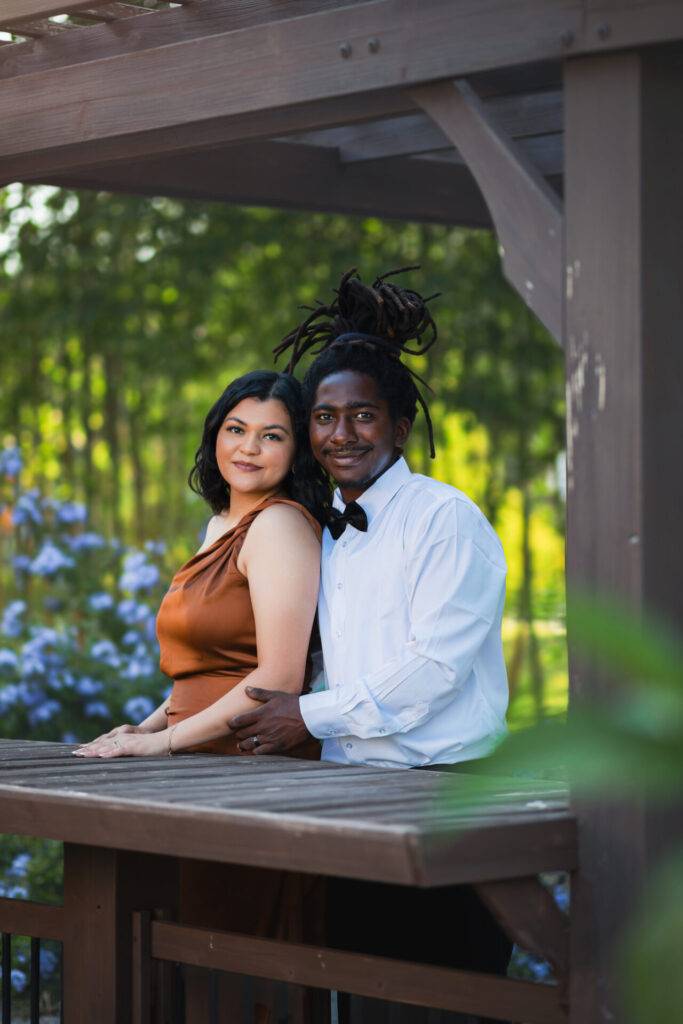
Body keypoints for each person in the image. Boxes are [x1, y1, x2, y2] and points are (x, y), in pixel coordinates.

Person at [229, 269, 511, 1022]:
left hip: (443, 797)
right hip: (350, 802)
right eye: (324, 417)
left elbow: (436, 666)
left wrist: (308, 716)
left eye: (362, 415)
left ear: (399, 425)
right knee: (359, 999)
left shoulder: (444, 518)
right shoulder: (333, 533)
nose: (340, 434)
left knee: (444, 1002)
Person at [75, 369, 331, 1023]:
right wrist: (140, 729)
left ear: (296, 451)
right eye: (235, 429)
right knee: (185, 956)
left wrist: (161, 744)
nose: (248, 447)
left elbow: (275, 677)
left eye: (271, 435)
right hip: (196, 765)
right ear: (214, 435)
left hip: (249, 768)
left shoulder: (277, 527)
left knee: (235, 965)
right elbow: (199, 672)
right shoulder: (222, 523)